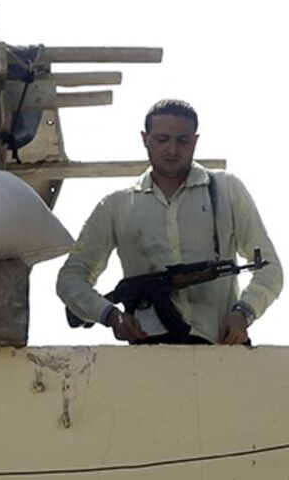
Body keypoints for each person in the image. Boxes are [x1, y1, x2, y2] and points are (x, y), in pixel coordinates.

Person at [57, 99, 281, 345]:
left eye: (182, 141)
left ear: (195, 141)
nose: (173, 150)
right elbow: (71, 278)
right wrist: (110, 314)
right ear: (145, 139)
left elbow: (270, 268)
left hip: (219, 348)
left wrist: (243, 312)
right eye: (162, 139)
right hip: (147, 353)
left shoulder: (227, 189)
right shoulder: (116, 205)